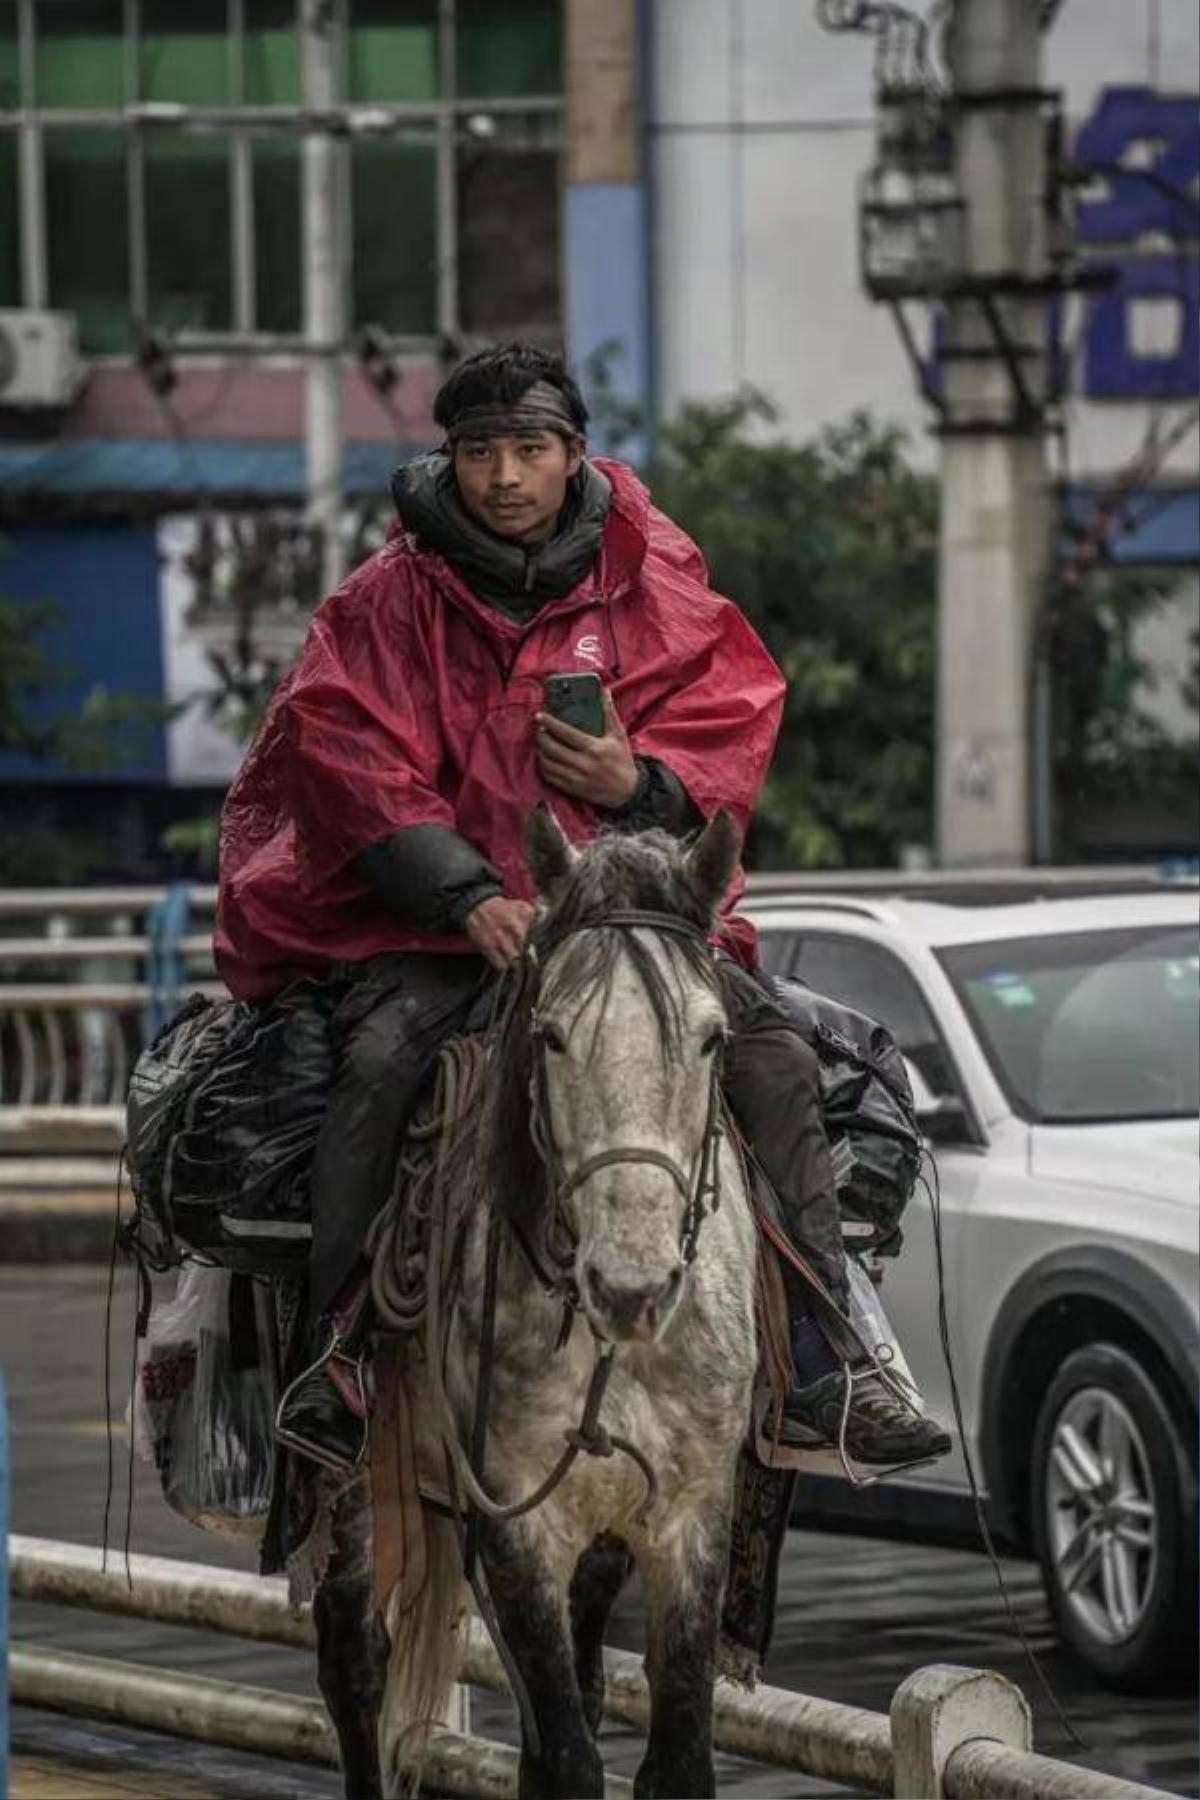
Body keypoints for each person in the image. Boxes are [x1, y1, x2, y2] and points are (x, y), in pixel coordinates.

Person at [215, 342, 949, 1476]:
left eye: (529, 448)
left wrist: (634, 784)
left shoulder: (655, 580)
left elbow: (728, 720)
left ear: (574, 454)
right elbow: (346, 756)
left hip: (634, 926)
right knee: (381, 1062)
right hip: (439, 936)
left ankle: (828, 1355)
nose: (504, 475)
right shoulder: (382, 604)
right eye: (478, 451)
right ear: (446, 458)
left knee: (773, 1063)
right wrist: (468, 900)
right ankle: (343, 1351)